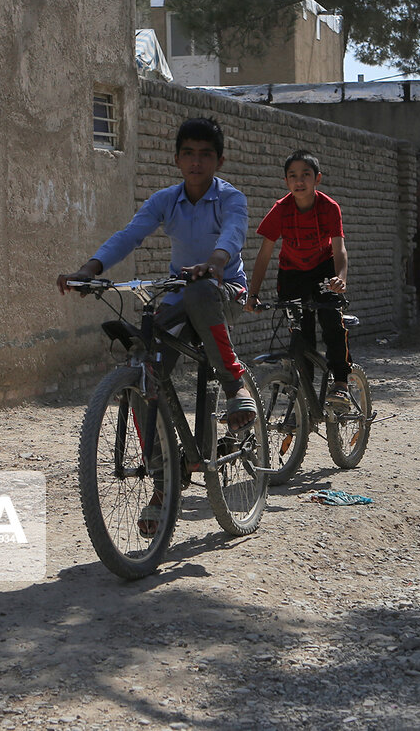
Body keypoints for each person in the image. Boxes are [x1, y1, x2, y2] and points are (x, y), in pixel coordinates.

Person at [57, 117, 256, 534]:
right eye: (188, 154)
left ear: (219, 160)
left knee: (202, 293)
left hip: (224, 292)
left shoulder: (231, 199)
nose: (196, 162)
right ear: (177, 158)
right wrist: (89, 270)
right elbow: (130, 235)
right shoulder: (166, 199)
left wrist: (213, 266)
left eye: (205, 155)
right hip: (182, 295)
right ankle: (165, 481)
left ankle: (234, 382)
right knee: (144, 364)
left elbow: (233, 238)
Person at [244, 150, 352, 410]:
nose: (299, 180)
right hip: (291, 274)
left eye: (305, 174)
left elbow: (339, 250)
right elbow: (264, 254)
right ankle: (305, 395)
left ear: (318, 179)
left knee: (331, 322)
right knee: (300, 335)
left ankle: (341, 383)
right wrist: (253, 294)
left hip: (324, 270)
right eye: (293, 176)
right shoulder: (280, 210)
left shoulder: (329, 208)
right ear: (286, 182)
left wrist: (340, 278)